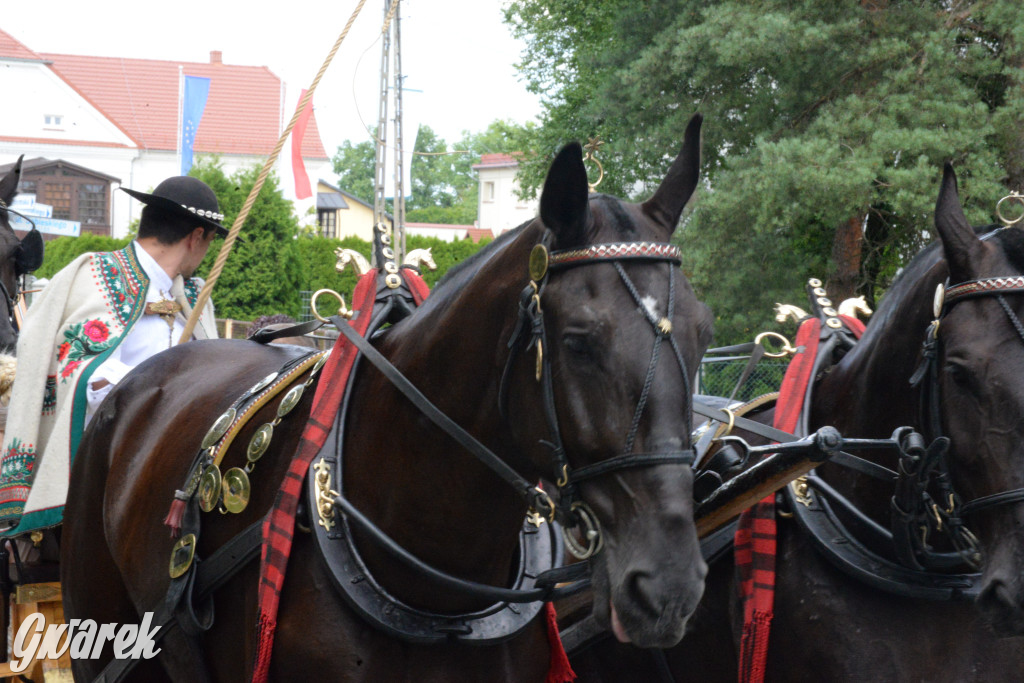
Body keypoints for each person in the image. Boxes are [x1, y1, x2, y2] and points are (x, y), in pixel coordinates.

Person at [0, 176, 226, 536]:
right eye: (211, 241)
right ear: (196, 237)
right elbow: (82, 374)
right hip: (102, 477)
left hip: (176, 474)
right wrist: (169, 394)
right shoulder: (95, 276)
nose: (206, 254)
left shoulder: (194, 298)